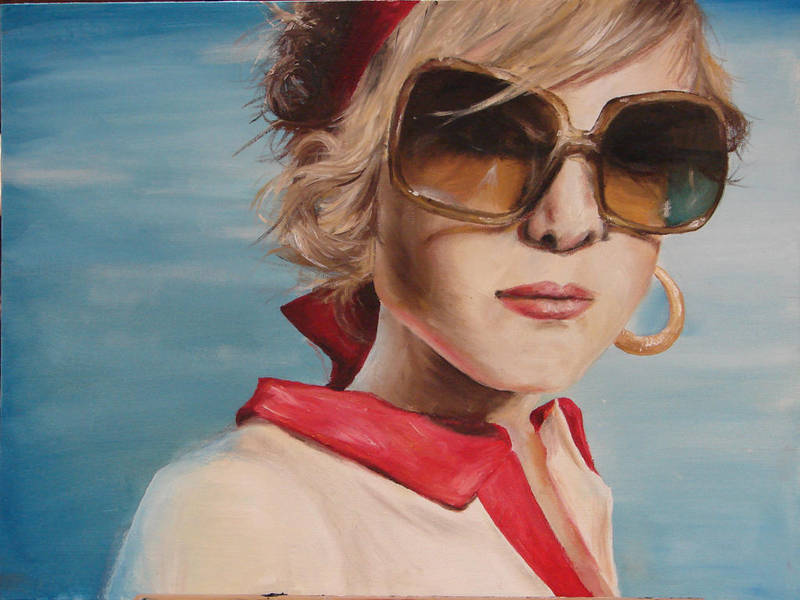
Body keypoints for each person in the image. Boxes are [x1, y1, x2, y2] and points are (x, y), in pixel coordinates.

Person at [105, 1, 747, 597]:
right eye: (481, 141)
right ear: (349, 191)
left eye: (643, 154)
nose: (570, 222)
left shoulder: (558, 459)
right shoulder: (242, 508)